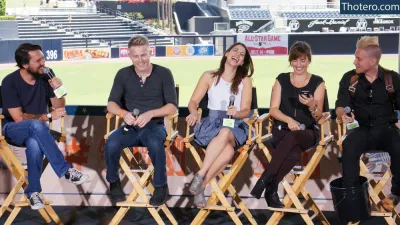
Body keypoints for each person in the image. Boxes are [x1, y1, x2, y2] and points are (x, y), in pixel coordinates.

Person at [1, 43, 89, 210]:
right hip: (13, 129)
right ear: (25, 65)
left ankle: (33, 192)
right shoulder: (10, 82)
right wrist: (48, 116)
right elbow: (18, 118)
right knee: (35, 125)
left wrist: (59, 90)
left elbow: (59, 106)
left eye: (43, 58)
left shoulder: (46, 76)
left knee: (35, 143)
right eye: (38, 60)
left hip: (38, 132)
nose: (44, 63)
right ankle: (65, 170)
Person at [104, 35, 178, 206]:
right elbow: (111, 104)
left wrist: (151, 113)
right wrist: (123, 114)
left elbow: (173, 107)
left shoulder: (164, 73)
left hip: (155, 126)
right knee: (112, 142)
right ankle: (113, 182)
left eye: (143, 55)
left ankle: (160, 186)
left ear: (150, 52)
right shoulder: (123, 74)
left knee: (154, 142)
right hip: (130, 127)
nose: (140, 60)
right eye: (135, 56)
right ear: (129, 56)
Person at [250, 41, 325, 208]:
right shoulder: (282, 79)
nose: (298, 65)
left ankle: (263, 181)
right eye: (295, 60)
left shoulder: (318, 82)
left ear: (309, 60)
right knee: (292, 153)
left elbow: (319, 116)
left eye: (303, 60)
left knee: (295, 137)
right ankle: (271, 188)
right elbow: (273, 109)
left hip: (307, 132)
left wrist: (312, 105)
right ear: (290, 61)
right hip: (282, 130)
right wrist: (289, 120)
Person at [335, 36, 400, 212]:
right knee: (349, 145)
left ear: (373, 61)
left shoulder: (392, 78)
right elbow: (340, 106)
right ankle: (353, 197)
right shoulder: (350, 79)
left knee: (398, 143)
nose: (354, 61)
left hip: (387, 128)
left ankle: (396, 194)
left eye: (359, 59)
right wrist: (343, 116)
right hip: (361, 129)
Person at [186, 42, 254, 207]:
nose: (237, 54)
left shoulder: (245, 81)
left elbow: (246, 110)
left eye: (242, 54)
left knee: (225, 132)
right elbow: (193, 101)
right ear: (226, 54)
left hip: (234, 126)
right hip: (211, 124)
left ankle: (200, 175)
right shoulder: (209, 76)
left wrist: (236, 113)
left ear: (242, 62)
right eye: (235, 50)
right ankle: (201, 186)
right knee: (228, 152)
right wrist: (194, 112)